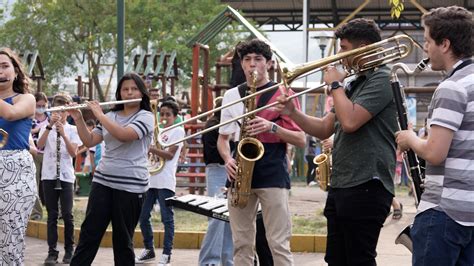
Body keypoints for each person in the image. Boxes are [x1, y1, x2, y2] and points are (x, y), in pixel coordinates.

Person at [276, 18, 397, 265]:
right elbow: (323, 128)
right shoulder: (354, 83)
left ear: (362, 47)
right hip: (343, 184)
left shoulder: (383, 78)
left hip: (367, 183)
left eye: (343, 48)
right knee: (336, 259)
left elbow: (351, 122)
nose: (338, 56)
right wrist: (293, 113)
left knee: (359, 259)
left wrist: (334, 85)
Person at [395, 6, 474, 265]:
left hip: (445, 212)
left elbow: (434, 153)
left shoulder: (452, 87)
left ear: (445, 44)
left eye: (428, 41)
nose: (425, 47)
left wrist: (409, 139)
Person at [217, 38, 305, 265]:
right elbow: (223, 139)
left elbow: (301, 139)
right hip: (239, 174)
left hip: (272, 171)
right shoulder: (231, 96)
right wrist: (227, 159)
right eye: (247, 60)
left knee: (278, 243)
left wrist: (272, 127)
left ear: (269, 63)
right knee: (241, 244)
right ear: (241, 64)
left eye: (258, 59)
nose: (252, 64)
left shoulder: (283, 93)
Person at [68, 73, 154, 265]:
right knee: (89, 234)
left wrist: (98, 114)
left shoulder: (146, 117)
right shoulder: (110, 116)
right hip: (103, 181)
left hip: (131, 186)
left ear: (141, 91)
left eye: (134, 88)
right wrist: (79, 118)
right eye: (125, 89)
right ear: (120, 92)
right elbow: (90, 140)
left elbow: (124, 135)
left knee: (123, 241)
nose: (129, 92)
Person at [136, 100, 185, 265]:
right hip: (150, 180)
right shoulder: (156, 131)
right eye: (161, 113)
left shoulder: (178, 131)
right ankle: (149, 250)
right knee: (143, 216)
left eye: (168, 114)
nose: (164, 117)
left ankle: (166, 254)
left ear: (175, 116)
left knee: (167, 218)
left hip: (165, 181)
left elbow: (170, 154)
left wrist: (151, 148)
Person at [0, 47, 37, 265]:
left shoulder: (26, 99)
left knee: (9, 244)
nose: (1, 72)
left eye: (5, 66)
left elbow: (11, 114)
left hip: (16, 173)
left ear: (15, 71)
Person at [37, 93, 82, 264]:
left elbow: (73, 153)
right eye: (57, 109)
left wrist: (63, 134)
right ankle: (52, 252)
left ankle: (69, 250)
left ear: (68, 112)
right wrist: (49, 127)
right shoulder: (45, 127)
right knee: (52, 215)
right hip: (48, 176)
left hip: (66, 176)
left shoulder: (72, 129)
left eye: (64, 110)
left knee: (68, 214)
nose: (60, 114)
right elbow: (40, 146)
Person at [198, 96, 234, 266]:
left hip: (224, 170)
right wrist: (232, 143)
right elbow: (215, 155)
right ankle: (209, 261)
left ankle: (227, 260)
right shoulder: (214, 126)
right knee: (218, 216)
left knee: (229, 218)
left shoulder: (227, 124)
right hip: (217, 170)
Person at [30, 91, 49, 220]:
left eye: (43, 105)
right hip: (33, 154)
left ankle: (55, 211)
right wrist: (36, 130)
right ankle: (36, 213)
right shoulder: (29, 117)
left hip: (48, 155)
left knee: (50, 184)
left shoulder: (50, 117)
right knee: (34, 184)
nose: (40, 107)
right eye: (38, 105)